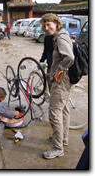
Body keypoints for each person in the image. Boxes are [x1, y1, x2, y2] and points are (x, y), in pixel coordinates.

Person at [40, 13, 74, 159]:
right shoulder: (61, 35)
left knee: (54, 113)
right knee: (64, 109)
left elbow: (69, 57)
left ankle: (57, 148)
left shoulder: (60, 38)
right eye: (44, 26)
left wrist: (60, 69)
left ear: (56, 22)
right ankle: (63, 139)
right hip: (67, 80)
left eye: (48, 24)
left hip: (61, 81)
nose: (46, 28)